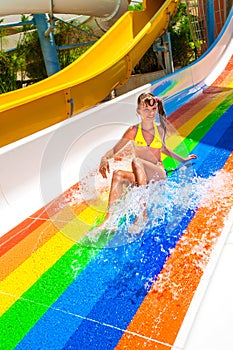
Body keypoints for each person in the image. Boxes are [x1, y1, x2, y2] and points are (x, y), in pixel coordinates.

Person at [99, 92, 197, 225]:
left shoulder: (159, 130)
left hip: (158, 174)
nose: (151, 113)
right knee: (118, 174)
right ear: (138, 111)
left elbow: (164, 149)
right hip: (142, 178)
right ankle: (108, 219)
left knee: (136, 161)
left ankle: (142, 213)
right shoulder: (133, 131)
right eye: (146, 109)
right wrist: (104, 158)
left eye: (153, 109)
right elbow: (115, 150)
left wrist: (183, 160)